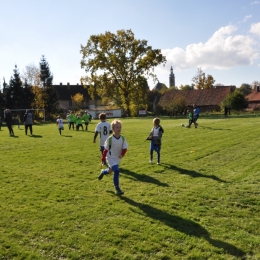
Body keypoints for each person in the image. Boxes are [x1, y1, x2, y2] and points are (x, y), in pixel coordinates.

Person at [98, 119, 128, 195]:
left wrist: (122, 154)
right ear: (113, 129)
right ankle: (117, 188)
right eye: (117, 127)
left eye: (120, 127)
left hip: (118, 158)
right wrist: (103, 159)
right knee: (117, 171)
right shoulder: (110, 139)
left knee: (110, 171)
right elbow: (105, 150)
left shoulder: (123, 138)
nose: (119, 129)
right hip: (110, 157)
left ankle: (103, 172)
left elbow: (125, 148)